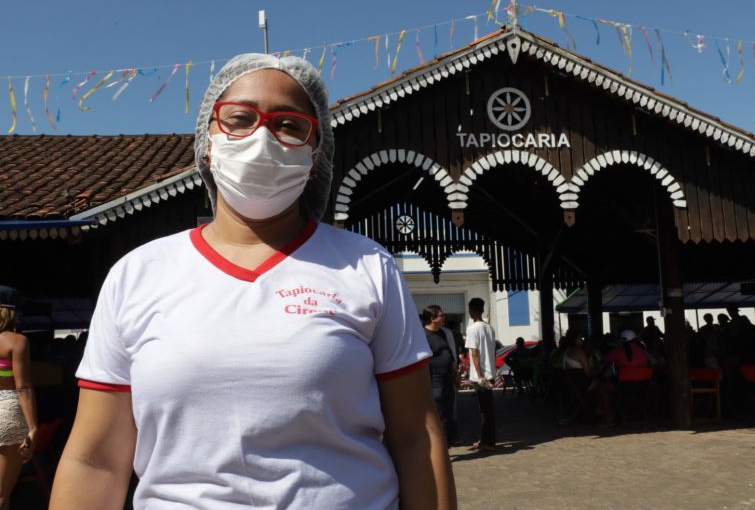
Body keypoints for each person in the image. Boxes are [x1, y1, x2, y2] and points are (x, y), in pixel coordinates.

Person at [51, 54, 456, 509]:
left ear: (315, 148)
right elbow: (96, 460)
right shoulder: (137, 274)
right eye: (240, 119)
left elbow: (417, 438)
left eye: (288, 125)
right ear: (207, 140)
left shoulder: (367, 267)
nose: (262, 137)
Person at [0, 287, 38, 510]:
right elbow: (22, 387)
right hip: (6, 411)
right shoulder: (17, 342)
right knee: (2, 494)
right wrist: (33, 428)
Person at [421, 305, 459, 445]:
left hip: (448, 381)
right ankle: (437, 447)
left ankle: (445, 444)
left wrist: (455, 372)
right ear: (432, 318)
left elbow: (448, 352)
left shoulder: (442, 333)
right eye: (441, 315)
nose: (444, 317)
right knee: (437, 416)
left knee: (449, 414)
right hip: (434, 383)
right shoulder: (423, 335)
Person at [465, 297, 496, 452]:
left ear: (471, 310)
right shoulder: (490, 328)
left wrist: (479, 375)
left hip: (481, 375)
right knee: (487, 409)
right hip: (490, 372)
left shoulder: (472, 329)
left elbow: (474, 353)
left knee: (484, 410)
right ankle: (485, 439)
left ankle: (488, 442)